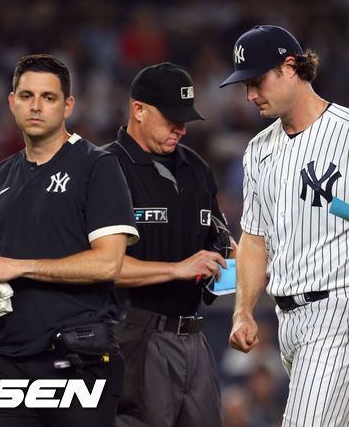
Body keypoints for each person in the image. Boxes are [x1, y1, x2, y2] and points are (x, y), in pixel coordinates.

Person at [220, 25, 349, 427]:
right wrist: (243, 311)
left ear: (290, 67)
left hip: (346, 310)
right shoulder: (258, 150)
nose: (250, 95)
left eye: (257, 81)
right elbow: (254, 240)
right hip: (288, 321)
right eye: (245, 86)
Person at [0, 54, 139, 427]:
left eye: (49, 97)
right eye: (26, 95)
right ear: (12, 101)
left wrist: (19, 266)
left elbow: (108, 263)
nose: (36, 106)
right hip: (3, 358)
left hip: (76, 359)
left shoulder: (96, 166)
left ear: (68, 104)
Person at [104, 62, 234, 427]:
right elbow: (97, 265)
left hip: (196, 335)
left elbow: (220, 240)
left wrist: (239, 262)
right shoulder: (104, 168)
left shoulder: (197, 169)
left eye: (185, 118)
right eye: (171, 117)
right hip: (134, 331)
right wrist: (177, 269)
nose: (181, 127)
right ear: (139, 109)